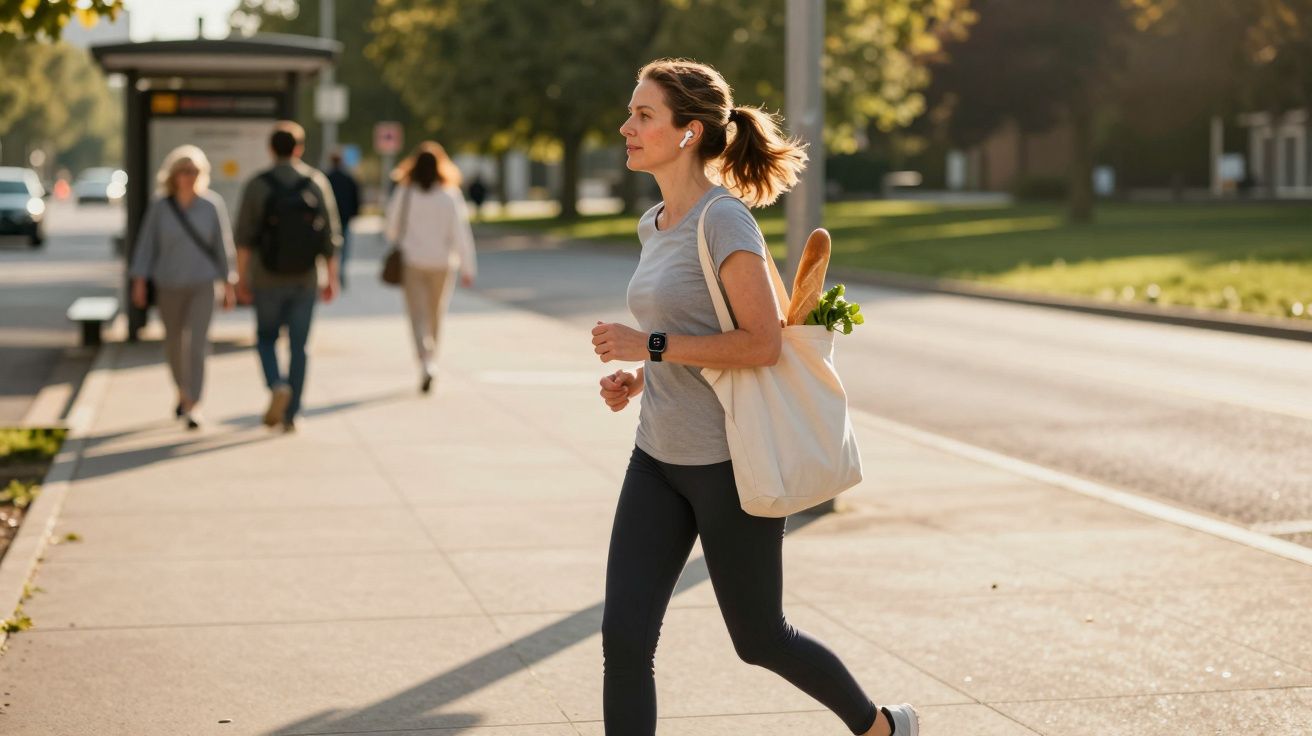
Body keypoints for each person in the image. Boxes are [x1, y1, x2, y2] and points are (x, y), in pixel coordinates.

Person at [590, 59, 919, 736]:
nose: (627, 126)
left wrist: (646, 347)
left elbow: (760, 344)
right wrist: (642, 377)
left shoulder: (724, 222)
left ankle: (881, 726)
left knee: (759, 638)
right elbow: (694, 335)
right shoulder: (653, 224)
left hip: (728, 466)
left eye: (644, 114)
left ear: (688, 132)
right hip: (657, 457)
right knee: (624, 639)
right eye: (631, 113)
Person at [233, 121, 342, 433]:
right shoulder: (316, 182)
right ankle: (293, 413)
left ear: (271, 148)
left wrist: (241, 279)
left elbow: (244, 238)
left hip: (266, 277)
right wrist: (331, 278)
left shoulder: (257, 184)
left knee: (266, 338)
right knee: (300, 346)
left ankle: (276, 384)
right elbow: (331, 237)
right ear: (299, 148)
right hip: (305, 279)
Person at [128, 145, 237, 430]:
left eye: (194, 171)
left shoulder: (212, 205)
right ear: (173, 175)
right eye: (183, 171)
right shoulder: (160, 207)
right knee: (174, 344)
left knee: (198, 344)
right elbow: (146, 246)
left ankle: (193, 404)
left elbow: (222, 248)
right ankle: (181, 390)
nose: (188, 176)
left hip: (203, 283)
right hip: (169, 283)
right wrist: (139, 281)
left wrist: (229, 284)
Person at [384, 141, 477, 394]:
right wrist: (468, 267)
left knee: (416, 316)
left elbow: (391, 229)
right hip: (442, 264)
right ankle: (432, 359)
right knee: (436, 314)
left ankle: (423, 361)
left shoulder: (405, 193)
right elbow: (461, 234)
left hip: (412, 262)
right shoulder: (449, 195)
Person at [325, 151, 361, 289]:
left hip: (329, 218)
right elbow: (356, 197)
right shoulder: (349, 178)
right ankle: (340, 274)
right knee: (344, 248)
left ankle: (331, 275)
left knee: (330, 247)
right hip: (345, 217)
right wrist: (354, 213)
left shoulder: (326, 178)